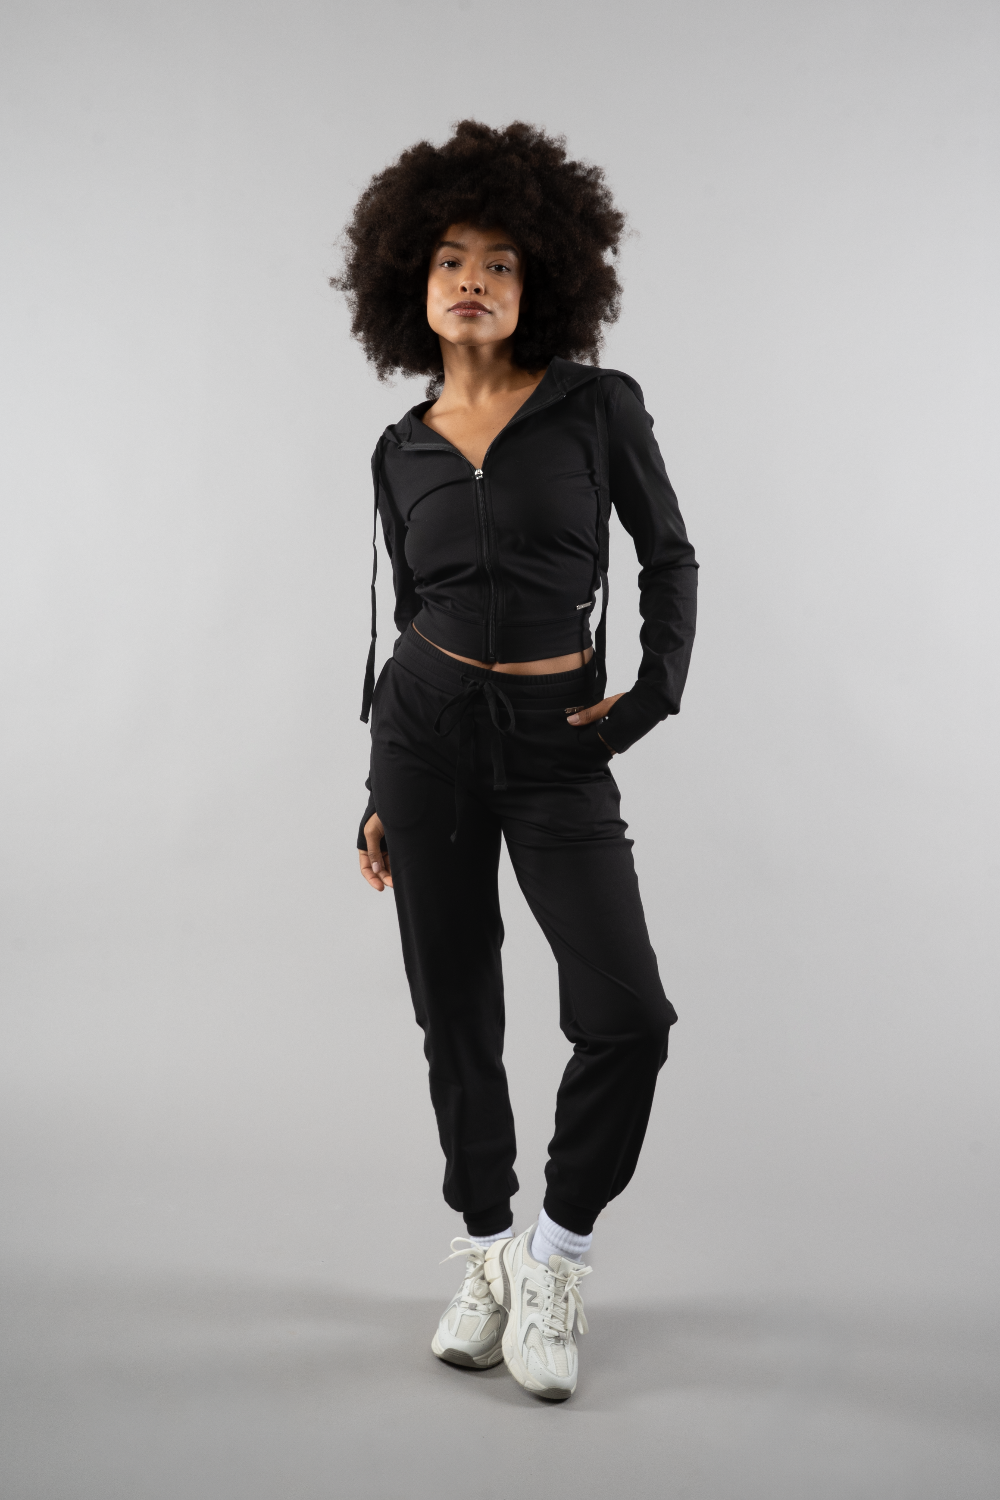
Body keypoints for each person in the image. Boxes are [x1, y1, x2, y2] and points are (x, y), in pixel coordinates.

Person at [334, 120, 697, 1401]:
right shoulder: (400, 446)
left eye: (499, 260)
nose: (473, 279)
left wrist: (650, 696)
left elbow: (666, 554)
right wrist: (376, 790)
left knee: (628, 1018)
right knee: (454, 1008)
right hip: (421, 737)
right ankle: (488, 1251)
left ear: (542, 279)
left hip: (556, 745)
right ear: (412, 284)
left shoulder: (597, 406)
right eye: (449, 259)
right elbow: (403, 614)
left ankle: (558, 1253)